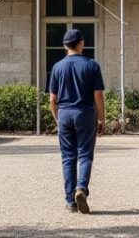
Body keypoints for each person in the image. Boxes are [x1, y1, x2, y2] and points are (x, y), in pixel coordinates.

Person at [47, 28, 105, 214]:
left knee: (68, 157)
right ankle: (81, 188)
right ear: (81, 43)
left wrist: (58, 119)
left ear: (65, 46)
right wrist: (102, 118)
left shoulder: (57, 67)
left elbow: (52, 100)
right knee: (85, 155)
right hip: (85, 113)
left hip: (64, 113)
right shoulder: (92, 65)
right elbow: (98, 96)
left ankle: (70, 201)